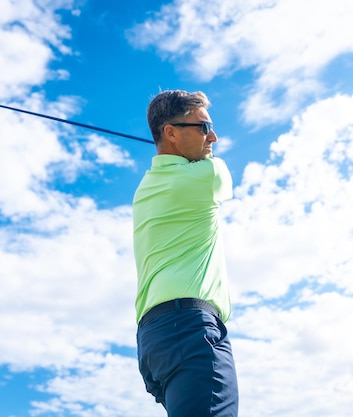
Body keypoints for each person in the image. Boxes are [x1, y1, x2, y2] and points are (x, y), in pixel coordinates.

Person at [133, 90, 238, 417]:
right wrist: (199, 153)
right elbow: (217, 170)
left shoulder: (147, 185)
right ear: (171, 132)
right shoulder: (206, 176)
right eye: (204, 127)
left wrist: (188, 142)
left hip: (155, 340)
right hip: (191, 327)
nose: (214, 137)